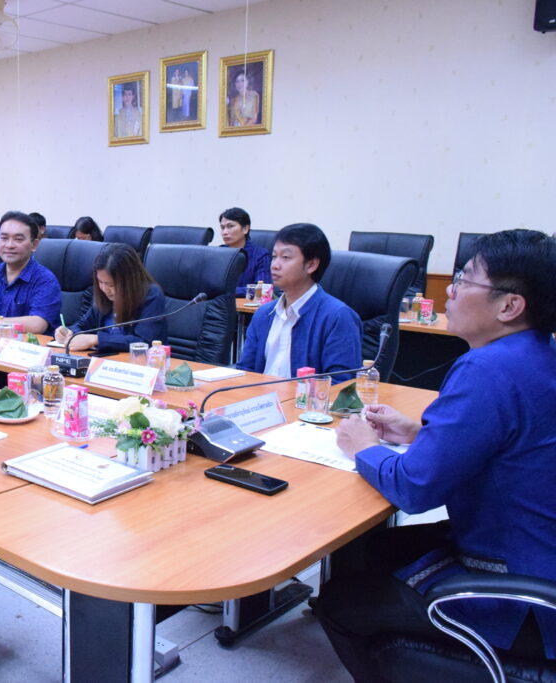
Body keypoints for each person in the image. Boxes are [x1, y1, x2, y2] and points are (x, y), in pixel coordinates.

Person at [319, 229, 556, 678]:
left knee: (339, 604)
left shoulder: (487, 368)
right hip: (538, 551)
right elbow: (509, 443)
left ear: (509, 306)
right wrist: (417, 433)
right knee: (374, 547)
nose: (449, 289)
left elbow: (415, 489)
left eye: (465, 279)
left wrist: (364, 447)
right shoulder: (539, 354)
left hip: (524, 595)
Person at [236, 223, 361, 383]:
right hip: (259, 397)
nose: (274, 265)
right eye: (274, 256)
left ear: (311, 265)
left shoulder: (338, 317)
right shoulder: (264, 314)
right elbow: (245, 371)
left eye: (285, 257)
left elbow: (341, 385)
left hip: (304, 400)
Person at [54, 242, 166, 352]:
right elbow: (83, 325)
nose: (104, 289)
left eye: (111, 285)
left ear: (129, 281)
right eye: (100, 282)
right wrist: (69, 332)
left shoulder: (150, 294)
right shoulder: (102, 295)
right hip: (105, 359)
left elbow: (145, 341)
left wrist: (97, 339)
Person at [219, 207, 271, 296]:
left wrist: (228, 291)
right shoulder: (218, 253)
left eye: (230, 226)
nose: (225, 232)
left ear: (245, 229)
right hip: (218, 303)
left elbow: (262, 289)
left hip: (246, 304)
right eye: (222, 228)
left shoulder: (261, 255)